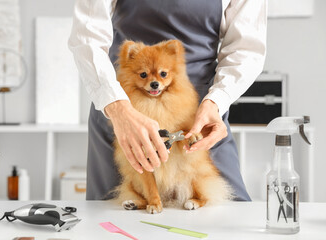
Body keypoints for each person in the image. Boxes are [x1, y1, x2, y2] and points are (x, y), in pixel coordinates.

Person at [68, 0, 267, 201]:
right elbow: (87, 35)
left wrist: (217, 100)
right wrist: (118, 109)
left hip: (199, 120)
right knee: (112, 225)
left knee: (226, 220)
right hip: (121, 114)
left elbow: (247, 48)